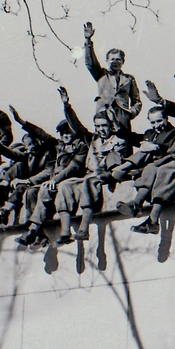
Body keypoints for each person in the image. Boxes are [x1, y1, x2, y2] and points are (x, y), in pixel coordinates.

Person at [115, 80, 175, 234]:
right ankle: (138, 204)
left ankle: (153, 219)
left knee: (164, 171)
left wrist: (166, 99)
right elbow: (139, 138)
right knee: (153, 167)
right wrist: (118, 129)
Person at [53, 87, 128, 245]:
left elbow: (115, 164)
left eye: (104, 126)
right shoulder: (93, 140)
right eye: (98, 127)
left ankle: (84, 228)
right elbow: (77, 127)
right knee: (65, 185)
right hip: (89, 175)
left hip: (104, 176)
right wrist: (67, 106)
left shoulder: (119, 141)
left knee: (88, 183)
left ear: (111, 126)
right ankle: (65, 231)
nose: (101, 130)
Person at [15, 112, 89, 249]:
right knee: (31, 192)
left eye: (68, 132)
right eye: (62, 133)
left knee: (45, 189)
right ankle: (38, 235)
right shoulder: (59, 145)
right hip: (54, 182)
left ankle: (32, 229)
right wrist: (21, 122)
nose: (65, 136)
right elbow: (41, 134)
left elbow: (73, 167)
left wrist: (55, 180)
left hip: (71, 181)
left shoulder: (81, 146)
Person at [0, 105, 58, 226]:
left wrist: (20, 120)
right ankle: (2, 210)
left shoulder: (49, 152)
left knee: (22, 185)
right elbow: (11, 153)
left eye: (32, 144)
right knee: (18, 167)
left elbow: (47, 172)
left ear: (38, 142)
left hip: (48, 184)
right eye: (27, 146)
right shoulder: (30, 156)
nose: (30, 148)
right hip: (31, 185)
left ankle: (3, 207)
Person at [83, 22, 142, 136]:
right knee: (104, 142)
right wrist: (88, 40)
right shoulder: (101, 74)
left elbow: (137, 101)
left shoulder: (129, 79)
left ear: (123, 62)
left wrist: (131, 113)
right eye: (112, 59)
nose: (115, 62)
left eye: (118, 59)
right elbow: (90, 63)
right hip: (103, 115)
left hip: (122, 116)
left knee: (123, 143)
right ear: (107, 61)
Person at [111, 105, 175, 182]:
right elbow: (133, 138)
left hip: (159, 165)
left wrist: (155, 147)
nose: (156, 125)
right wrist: (116, 125)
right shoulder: (149, 133)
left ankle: (125, 166)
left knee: (147, 147)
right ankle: (133, 172)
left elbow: (173, 150)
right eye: (153, 122)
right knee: (145, 146)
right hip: (143, 166)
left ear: (166, 118)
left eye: (159, 121)